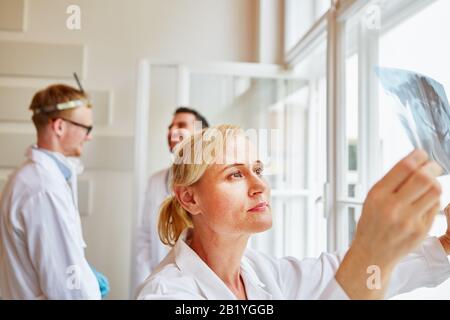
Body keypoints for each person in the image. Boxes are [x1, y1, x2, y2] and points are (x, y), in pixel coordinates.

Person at [137, 124, 450, 299]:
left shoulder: (261, 273)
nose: (260, 185)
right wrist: (371, 244)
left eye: (257, 169)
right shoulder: (168, 295)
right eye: (235, 174)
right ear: (189, 199)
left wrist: (445, 244)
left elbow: (341, 272)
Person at [0, 84, 108, 299]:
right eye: (87, 128)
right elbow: (66, 287)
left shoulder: (33, 177)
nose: (89, 137)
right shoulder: (43, 189)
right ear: (59, 127)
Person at [132, 107, 209, 294]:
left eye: (181, 125)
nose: (172, 131)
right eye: (170, 126)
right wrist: (145, 283)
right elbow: (145, 236)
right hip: (159, 285)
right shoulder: (156, 181)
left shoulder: (212, 184)